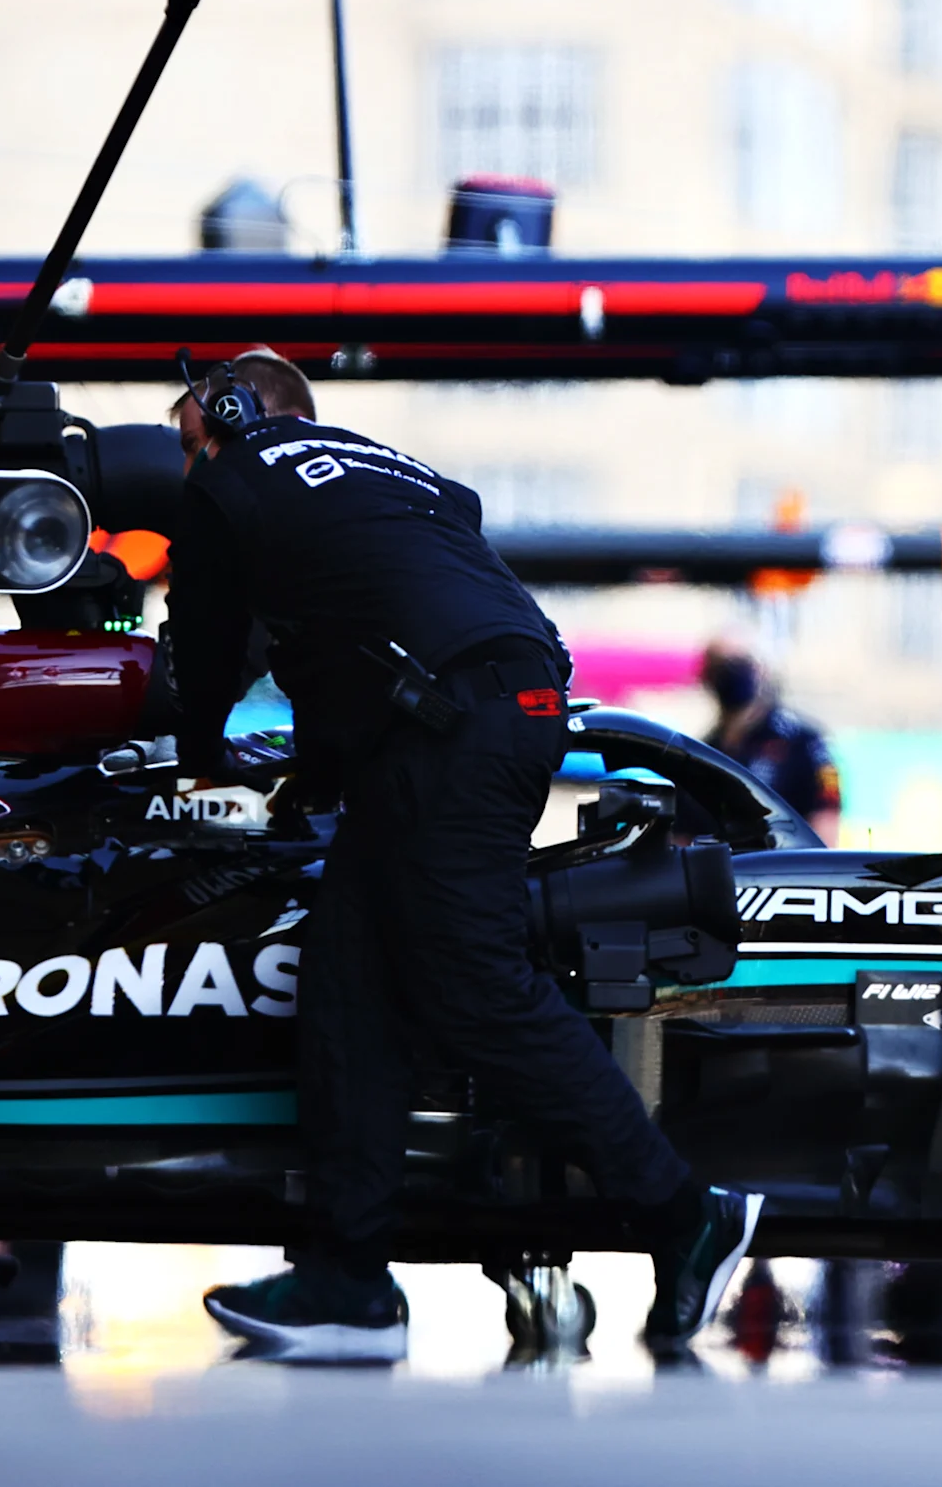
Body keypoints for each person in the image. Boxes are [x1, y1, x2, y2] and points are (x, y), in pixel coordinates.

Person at [164, 349, 758, 1363]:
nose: (186, 470)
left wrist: (196, 761)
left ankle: (681, 1214)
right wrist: (317, 772)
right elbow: (361, 630)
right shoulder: (388, 472)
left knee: (473, 986)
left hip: (457, 732)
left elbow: (209, 649)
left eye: (188, 444)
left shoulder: (232, 481)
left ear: (226, 416)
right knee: (349, 983)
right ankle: (349, 1280)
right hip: (480, 710)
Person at [700, 636, 841, 842]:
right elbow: (684, 835)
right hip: (717, 871)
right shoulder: (704, 751)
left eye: (740, 662)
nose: (731, 673)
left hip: (783, 869)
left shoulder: (803, 742)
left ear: (761, 669)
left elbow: (825, 827)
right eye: (721, 665)